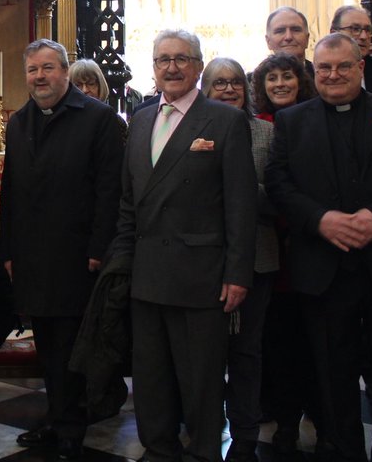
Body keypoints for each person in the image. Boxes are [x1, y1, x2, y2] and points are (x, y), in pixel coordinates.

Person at [267, 33, 372, 462]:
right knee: (331, 377)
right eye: (324, 68)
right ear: (314, 71)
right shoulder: (292, 122)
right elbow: (279, 183)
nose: (333, 75)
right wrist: (320, 219)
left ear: (361, 68)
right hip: (325, 273)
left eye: (343, 66)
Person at [108, 30, 256, 462]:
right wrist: (122, 265)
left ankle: (206, 450)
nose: (171, 68)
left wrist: (237, 273)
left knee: (202, 378)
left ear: (197, 65)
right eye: (162, 60)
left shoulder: (224, 121)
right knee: (150, 376)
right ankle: (158, 448)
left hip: (202, 275)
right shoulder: (138, 119)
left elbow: (241, 205)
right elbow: (128, 201)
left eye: (181, 59)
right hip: (146, 271)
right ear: (152, 68)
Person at [0, 39, 123, 460]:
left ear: (65, 72)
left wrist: (99, 246)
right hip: (33, 255)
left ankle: (72, 424)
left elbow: (110, 190)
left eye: (48, 68)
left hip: (77, 254)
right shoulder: (19, 122)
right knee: (48, 344)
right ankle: (56, 416)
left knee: (73, 346)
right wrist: (9, 251)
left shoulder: (99, 118)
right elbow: (11, 192)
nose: (40, 76)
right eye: (32, 69)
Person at [200, 58, 278, 462]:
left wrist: (240, 187)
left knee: (247, 353)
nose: (228, 90)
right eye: (218, 83)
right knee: (206, 356)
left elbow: (280, 193)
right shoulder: (194, 130)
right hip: (203, 264)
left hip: (257, 262)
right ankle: (206, 429)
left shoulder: (265, 132)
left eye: (235, 83)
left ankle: (246, 434)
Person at [251, 51, 318, 455]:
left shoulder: (313, 122)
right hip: (269, 251)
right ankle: (283, 416)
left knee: (310, 341)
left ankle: (314, 411)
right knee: (276, 340)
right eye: (271, 78)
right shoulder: (259, 127)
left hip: (307, 247)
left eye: (286, 77)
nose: (279, 84)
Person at [252, 51, 315, 121]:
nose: (280, 84)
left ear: (300, 83)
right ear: (263, 86)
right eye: (272, 79)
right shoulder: (256, 126)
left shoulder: (316, 118)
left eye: (287, 77)